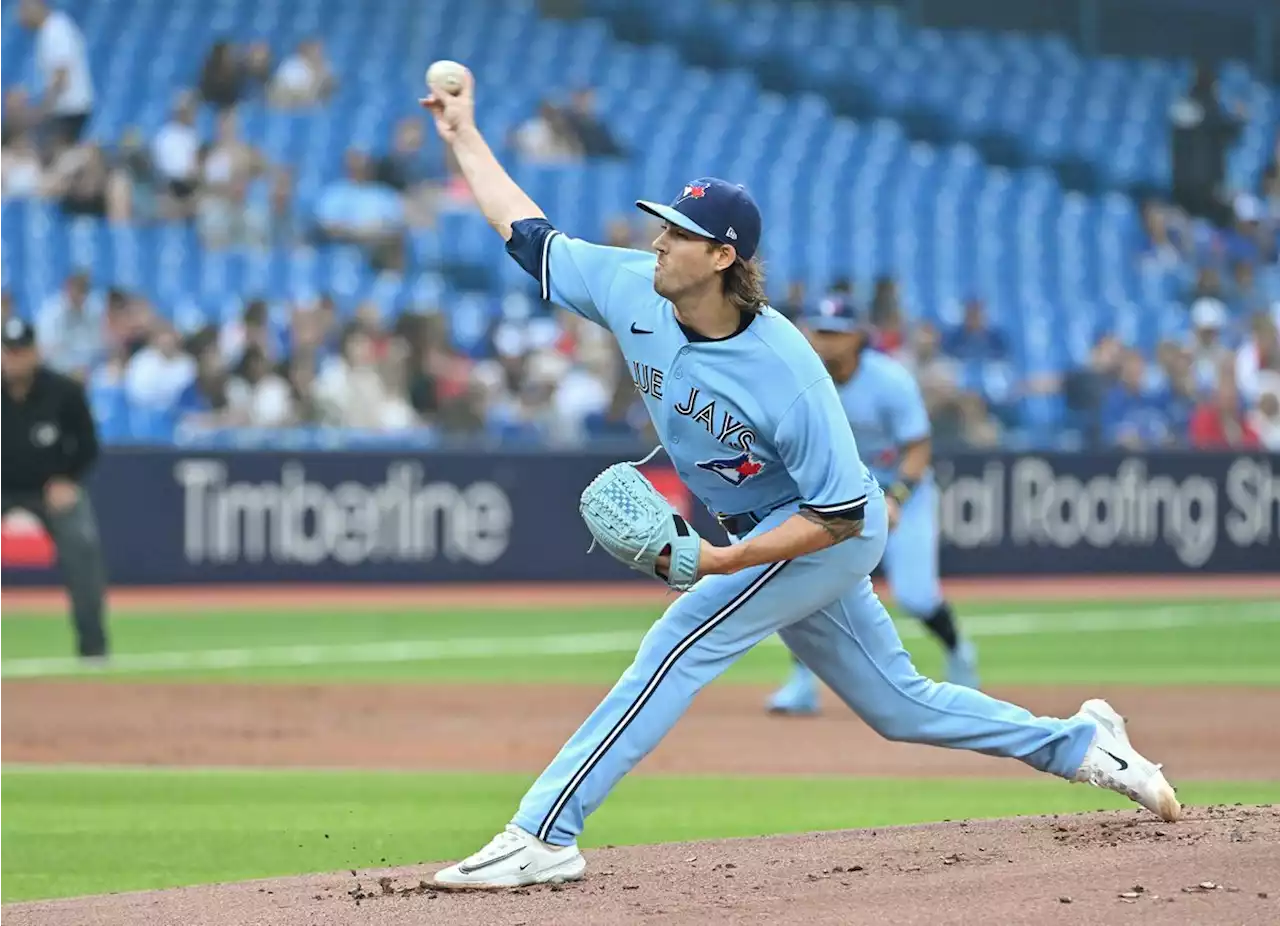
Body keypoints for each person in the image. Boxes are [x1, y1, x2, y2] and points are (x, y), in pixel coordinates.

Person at [419, 65, 1181, 890]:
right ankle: (1081, 741)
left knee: (680, 639)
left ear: (721, 256)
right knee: (901, 706)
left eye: (677, 232)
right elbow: (526, 233)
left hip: (823, 530)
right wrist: (461, 133)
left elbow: (842, 516)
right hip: (773, 528)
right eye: (661, 226)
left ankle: (544, 831)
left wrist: (715, 564)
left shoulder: (786, 368)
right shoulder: (628, 287)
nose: (658, 240)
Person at [767, 295, 979, 717]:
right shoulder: (798, 379)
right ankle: (803, 682)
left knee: (917, 597)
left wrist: (897, 498)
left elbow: (917, 448)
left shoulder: (889, 380)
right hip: (831, 496)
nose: (824, 342)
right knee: (803, 587)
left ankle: (959, 652)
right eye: (818, 331)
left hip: (900, 492)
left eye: (835, 333)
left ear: (858, 337)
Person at [0, 318, 109, 662]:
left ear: (35, 352)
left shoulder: (64, 392)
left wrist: (69, 478)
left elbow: (89, 445)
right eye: (9, 352)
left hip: (50, 493)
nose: (15, 359)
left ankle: (93, 648)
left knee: (83, 542)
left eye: (22, 351)